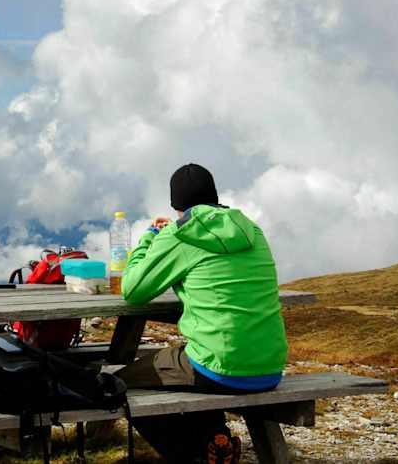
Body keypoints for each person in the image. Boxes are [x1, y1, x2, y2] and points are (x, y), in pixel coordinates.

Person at [116, 163, 287, 464]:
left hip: (220, 368)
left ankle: (196, 455)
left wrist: (148, 240)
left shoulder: (180, 234)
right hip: (270, 366)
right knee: (196, 357)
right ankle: (215, 438)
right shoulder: (252, 230)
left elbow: (133, 290)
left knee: (121, 382)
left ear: (176, 205)